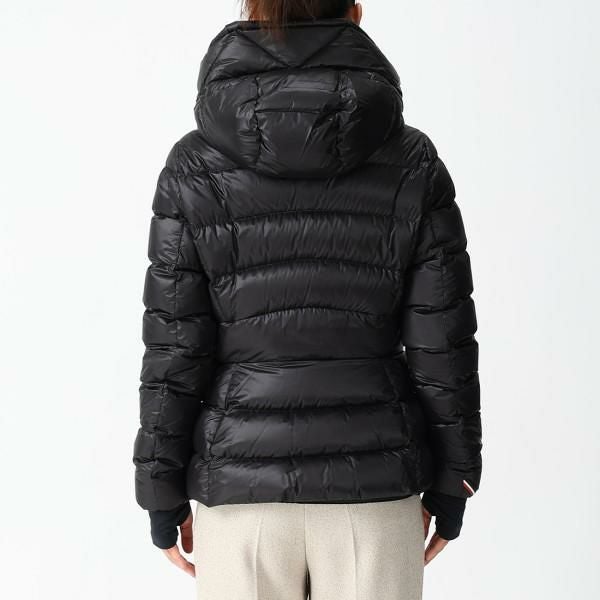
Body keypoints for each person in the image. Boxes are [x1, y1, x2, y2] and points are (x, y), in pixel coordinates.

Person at [132, 1, 483, 598]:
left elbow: (175, 347)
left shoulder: (192, 167)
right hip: (375, 488)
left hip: (240, 496)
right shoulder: (412, 162)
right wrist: (455, 481)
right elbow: (441, 342)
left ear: (252, 6)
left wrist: (160, 493)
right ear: (354, 10)